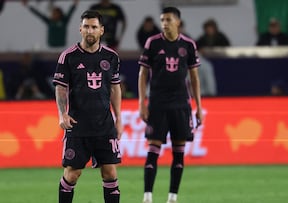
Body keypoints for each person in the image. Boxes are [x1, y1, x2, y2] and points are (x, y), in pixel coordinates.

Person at [53, 10, 123, 203]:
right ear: (80, 29)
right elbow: (60, 88)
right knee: (72, 174)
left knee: (109, 173)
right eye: (86, 26)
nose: (89, 30)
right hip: (78, 125)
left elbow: (115, 89)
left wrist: (119, 119)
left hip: (104, 126)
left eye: (93, 27)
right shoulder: (68, 57)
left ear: (101, 30)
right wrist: (62, 114)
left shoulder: (111, 57)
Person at [138, 7, 203, 203]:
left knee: (179, 150)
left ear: (178, 22)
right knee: (153, 148)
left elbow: (194, 77)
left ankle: (172, 197)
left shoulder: (189, 45)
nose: (164, 23)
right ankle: (147, 196)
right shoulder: (153, 42)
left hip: (181, 105)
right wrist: (143, 101)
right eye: (162, 20)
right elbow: (142, 74)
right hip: (157, 103)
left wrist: (198, 106)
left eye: (168, 19)